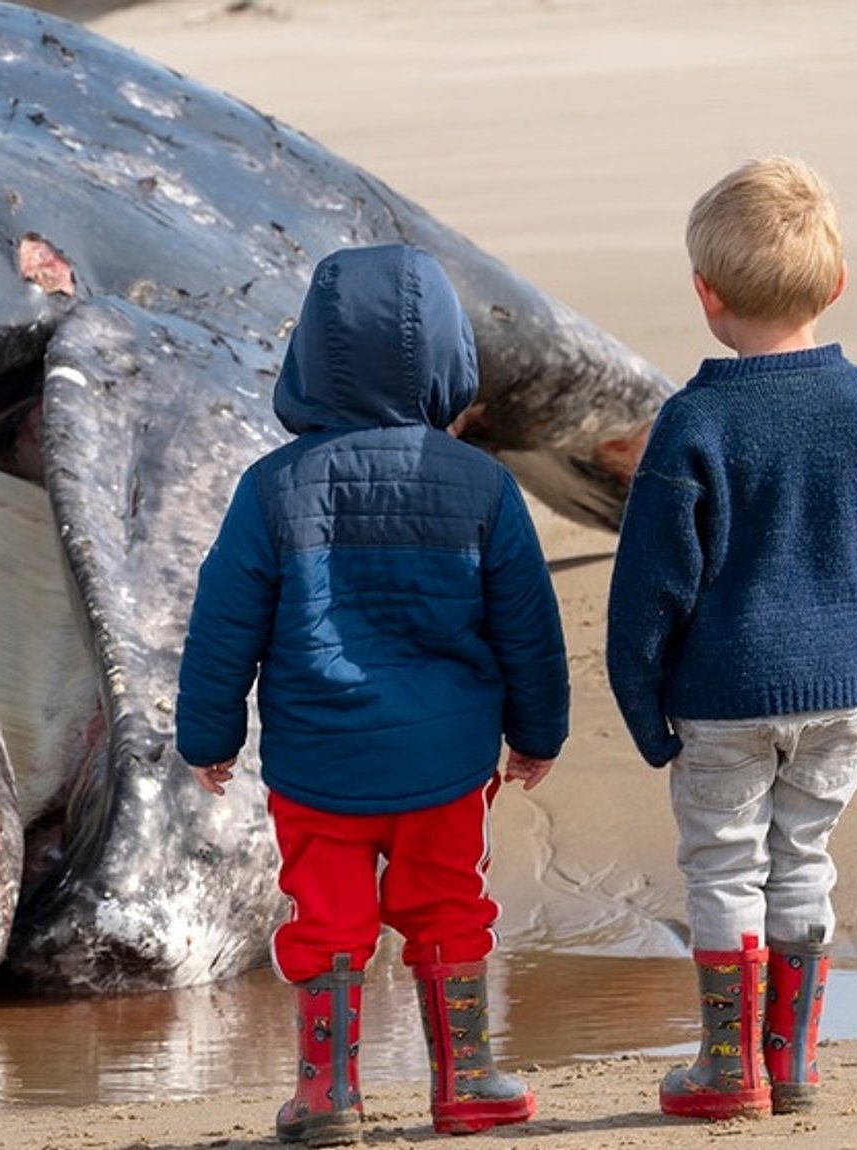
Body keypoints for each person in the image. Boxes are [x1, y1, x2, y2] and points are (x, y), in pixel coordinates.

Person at [175, 243, 569, 1143]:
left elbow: (223, 623)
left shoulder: (272, 490)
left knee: (329, 918)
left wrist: (209, 738)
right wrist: (537, 732)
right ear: (448, 361)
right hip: (445, 764)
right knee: (449, 908)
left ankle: (328, 1095)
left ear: (308, 362)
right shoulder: (482, 487)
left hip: (319, 767)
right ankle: (466, 1081)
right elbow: (527, 628)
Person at [606, 155, 857, 1121]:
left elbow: (650, 585)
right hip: (841, 683)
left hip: (719, 694)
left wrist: (643, 702)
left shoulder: (693, 420)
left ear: (706, 297)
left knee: (722, 864)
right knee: (803, 859)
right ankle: (789, 1065)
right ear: (836, 286)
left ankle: (728, 1069)